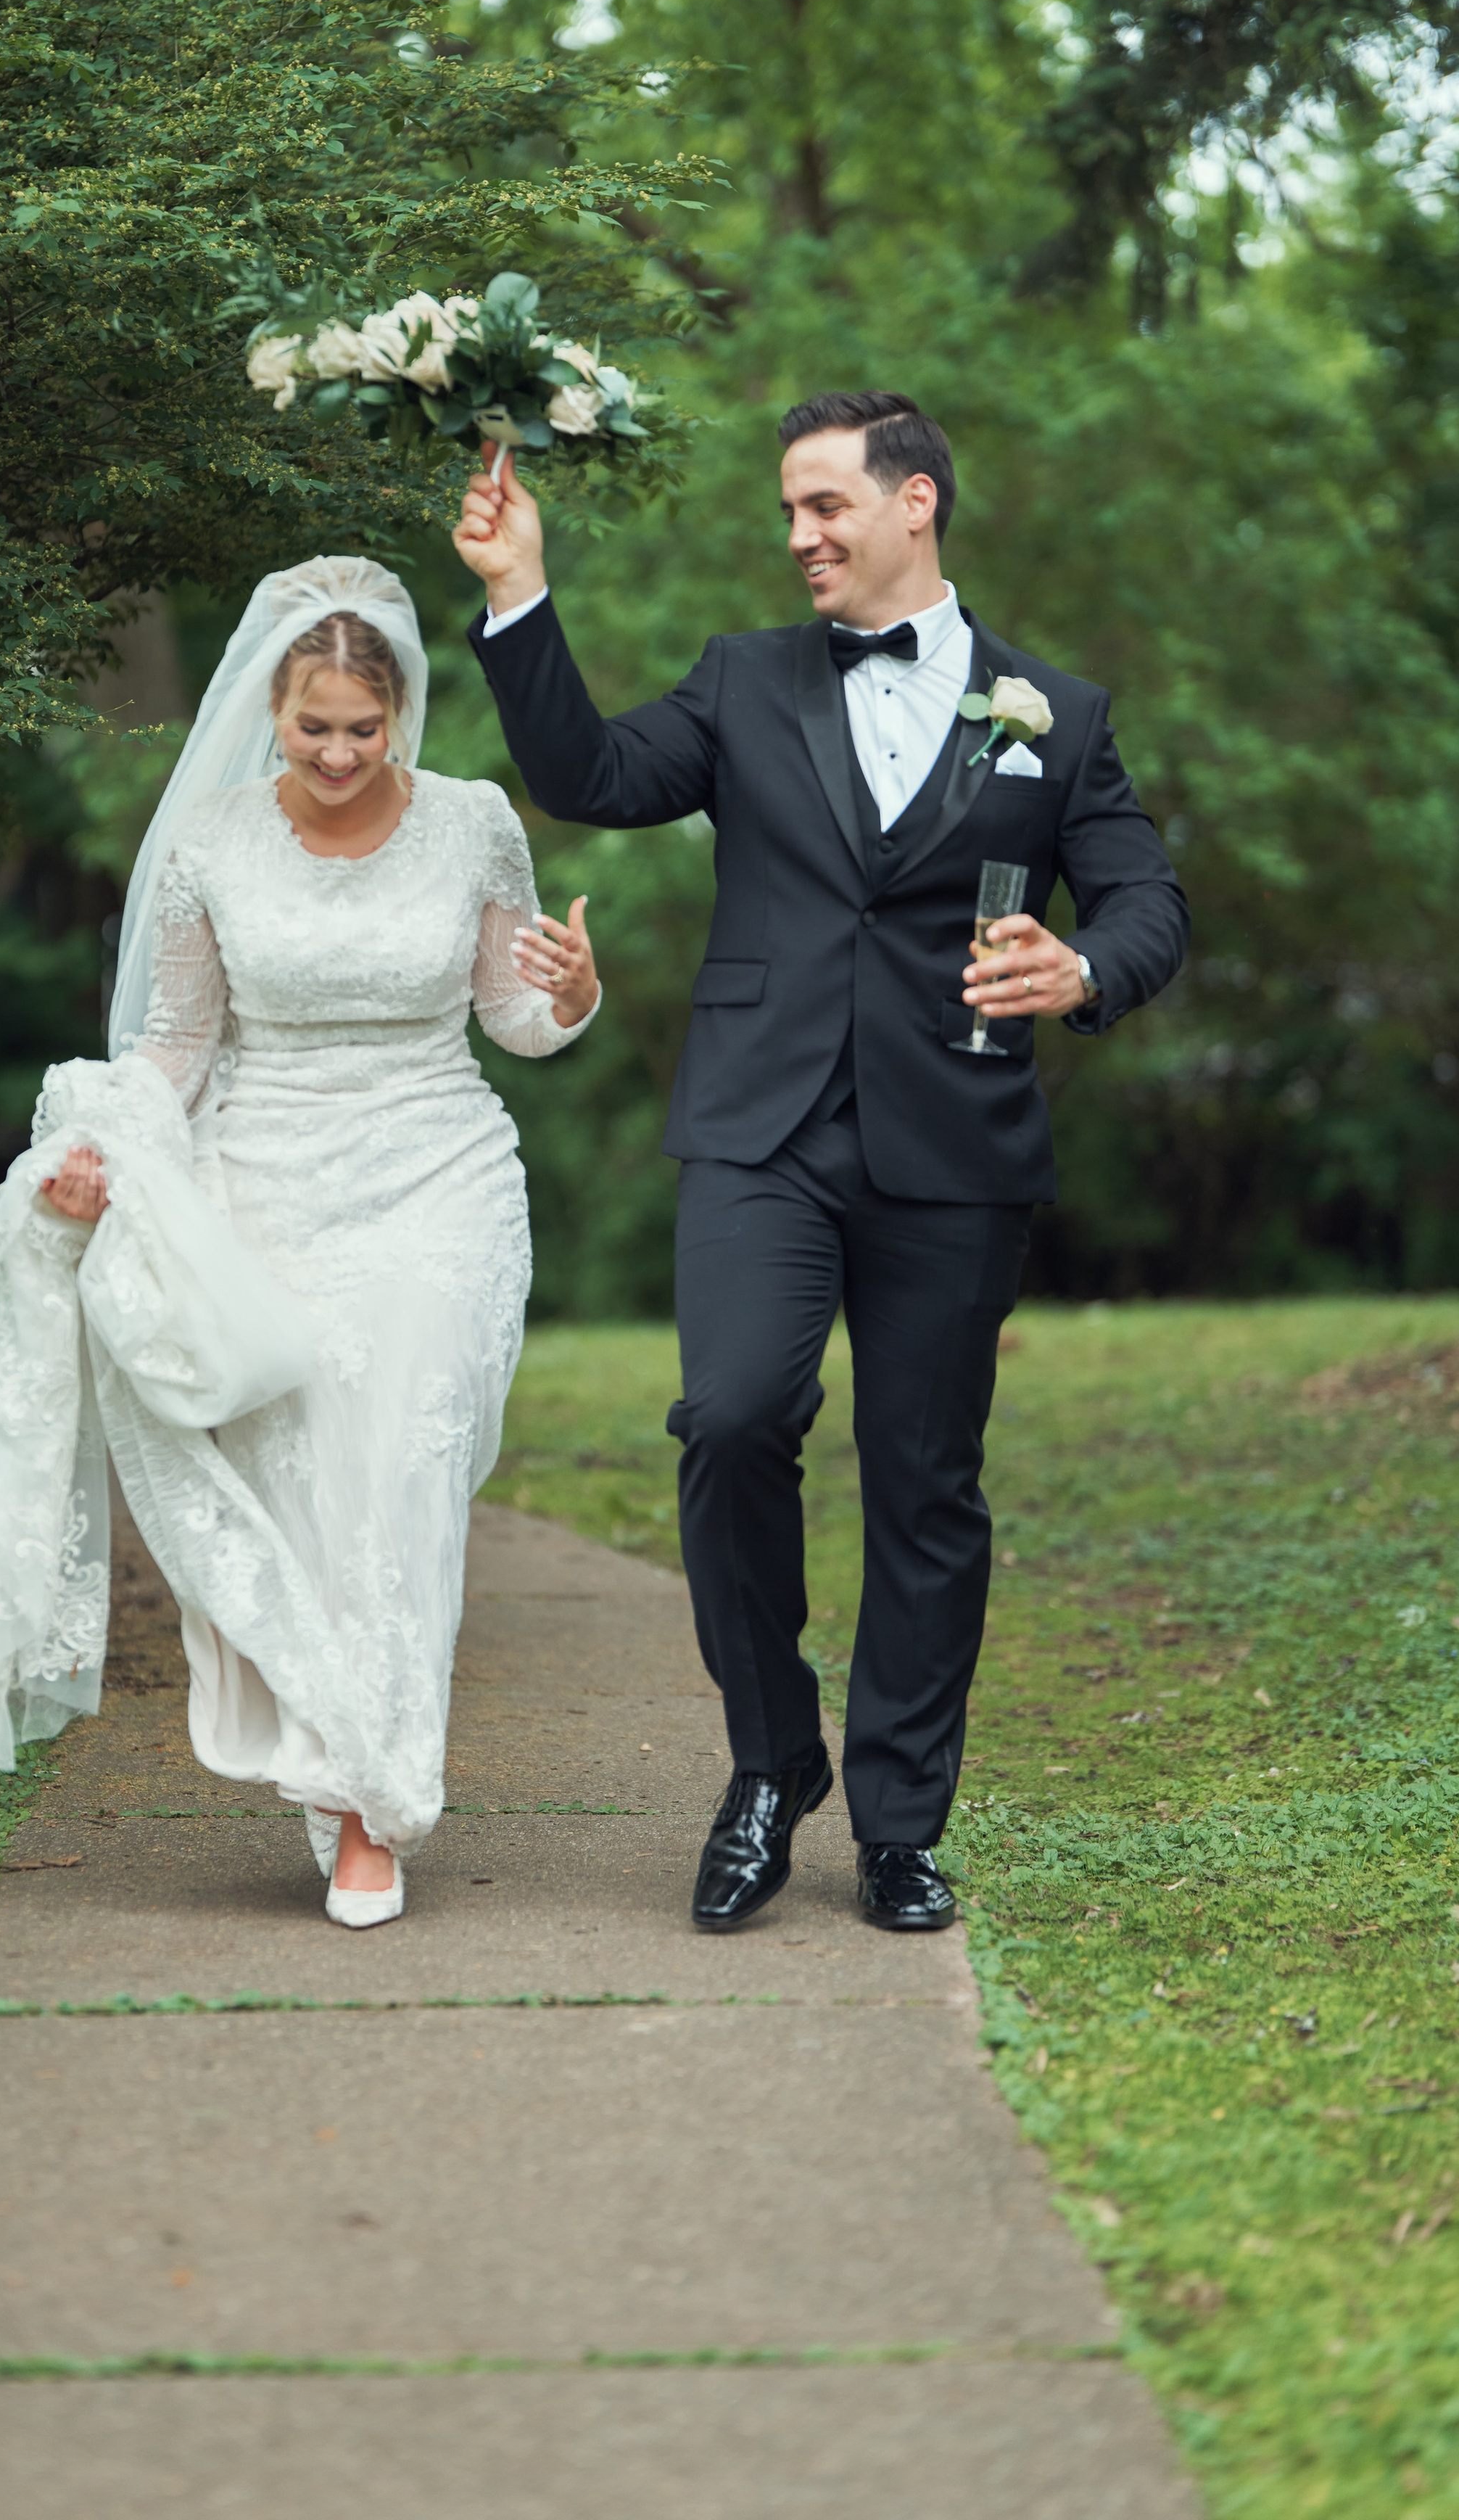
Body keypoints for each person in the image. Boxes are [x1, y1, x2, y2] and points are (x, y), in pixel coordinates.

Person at [452, 394, 1187, 1935]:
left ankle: (902, 1826)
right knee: (726, 1422)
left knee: (925, 1491)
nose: (797, 537)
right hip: (757, 1130)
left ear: (912, 503)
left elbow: (1142, 902)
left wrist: (1083, 969)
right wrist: (519, 596)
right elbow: (589, 773)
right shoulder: (742, 683)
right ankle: (769, 1766)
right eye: (787, 512)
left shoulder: (1054, 712)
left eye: (823, 507)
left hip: (954, 1148)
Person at [0, 557, 598, 1930]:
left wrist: (569, 995)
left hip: (438, 1178)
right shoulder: (213, 843)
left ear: (401, 709)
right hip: (265, 1182)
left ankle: (371, 1809)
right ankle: (347, 1785)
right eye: (313, 726)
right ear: (273, 709)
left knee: (399, 1484)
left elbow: (511, 1022)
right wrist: (102, 1149)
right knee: (302, 1492)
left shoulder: (473, 825)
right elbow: (177, 1044)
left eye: (364, 727)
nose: (340, 753)